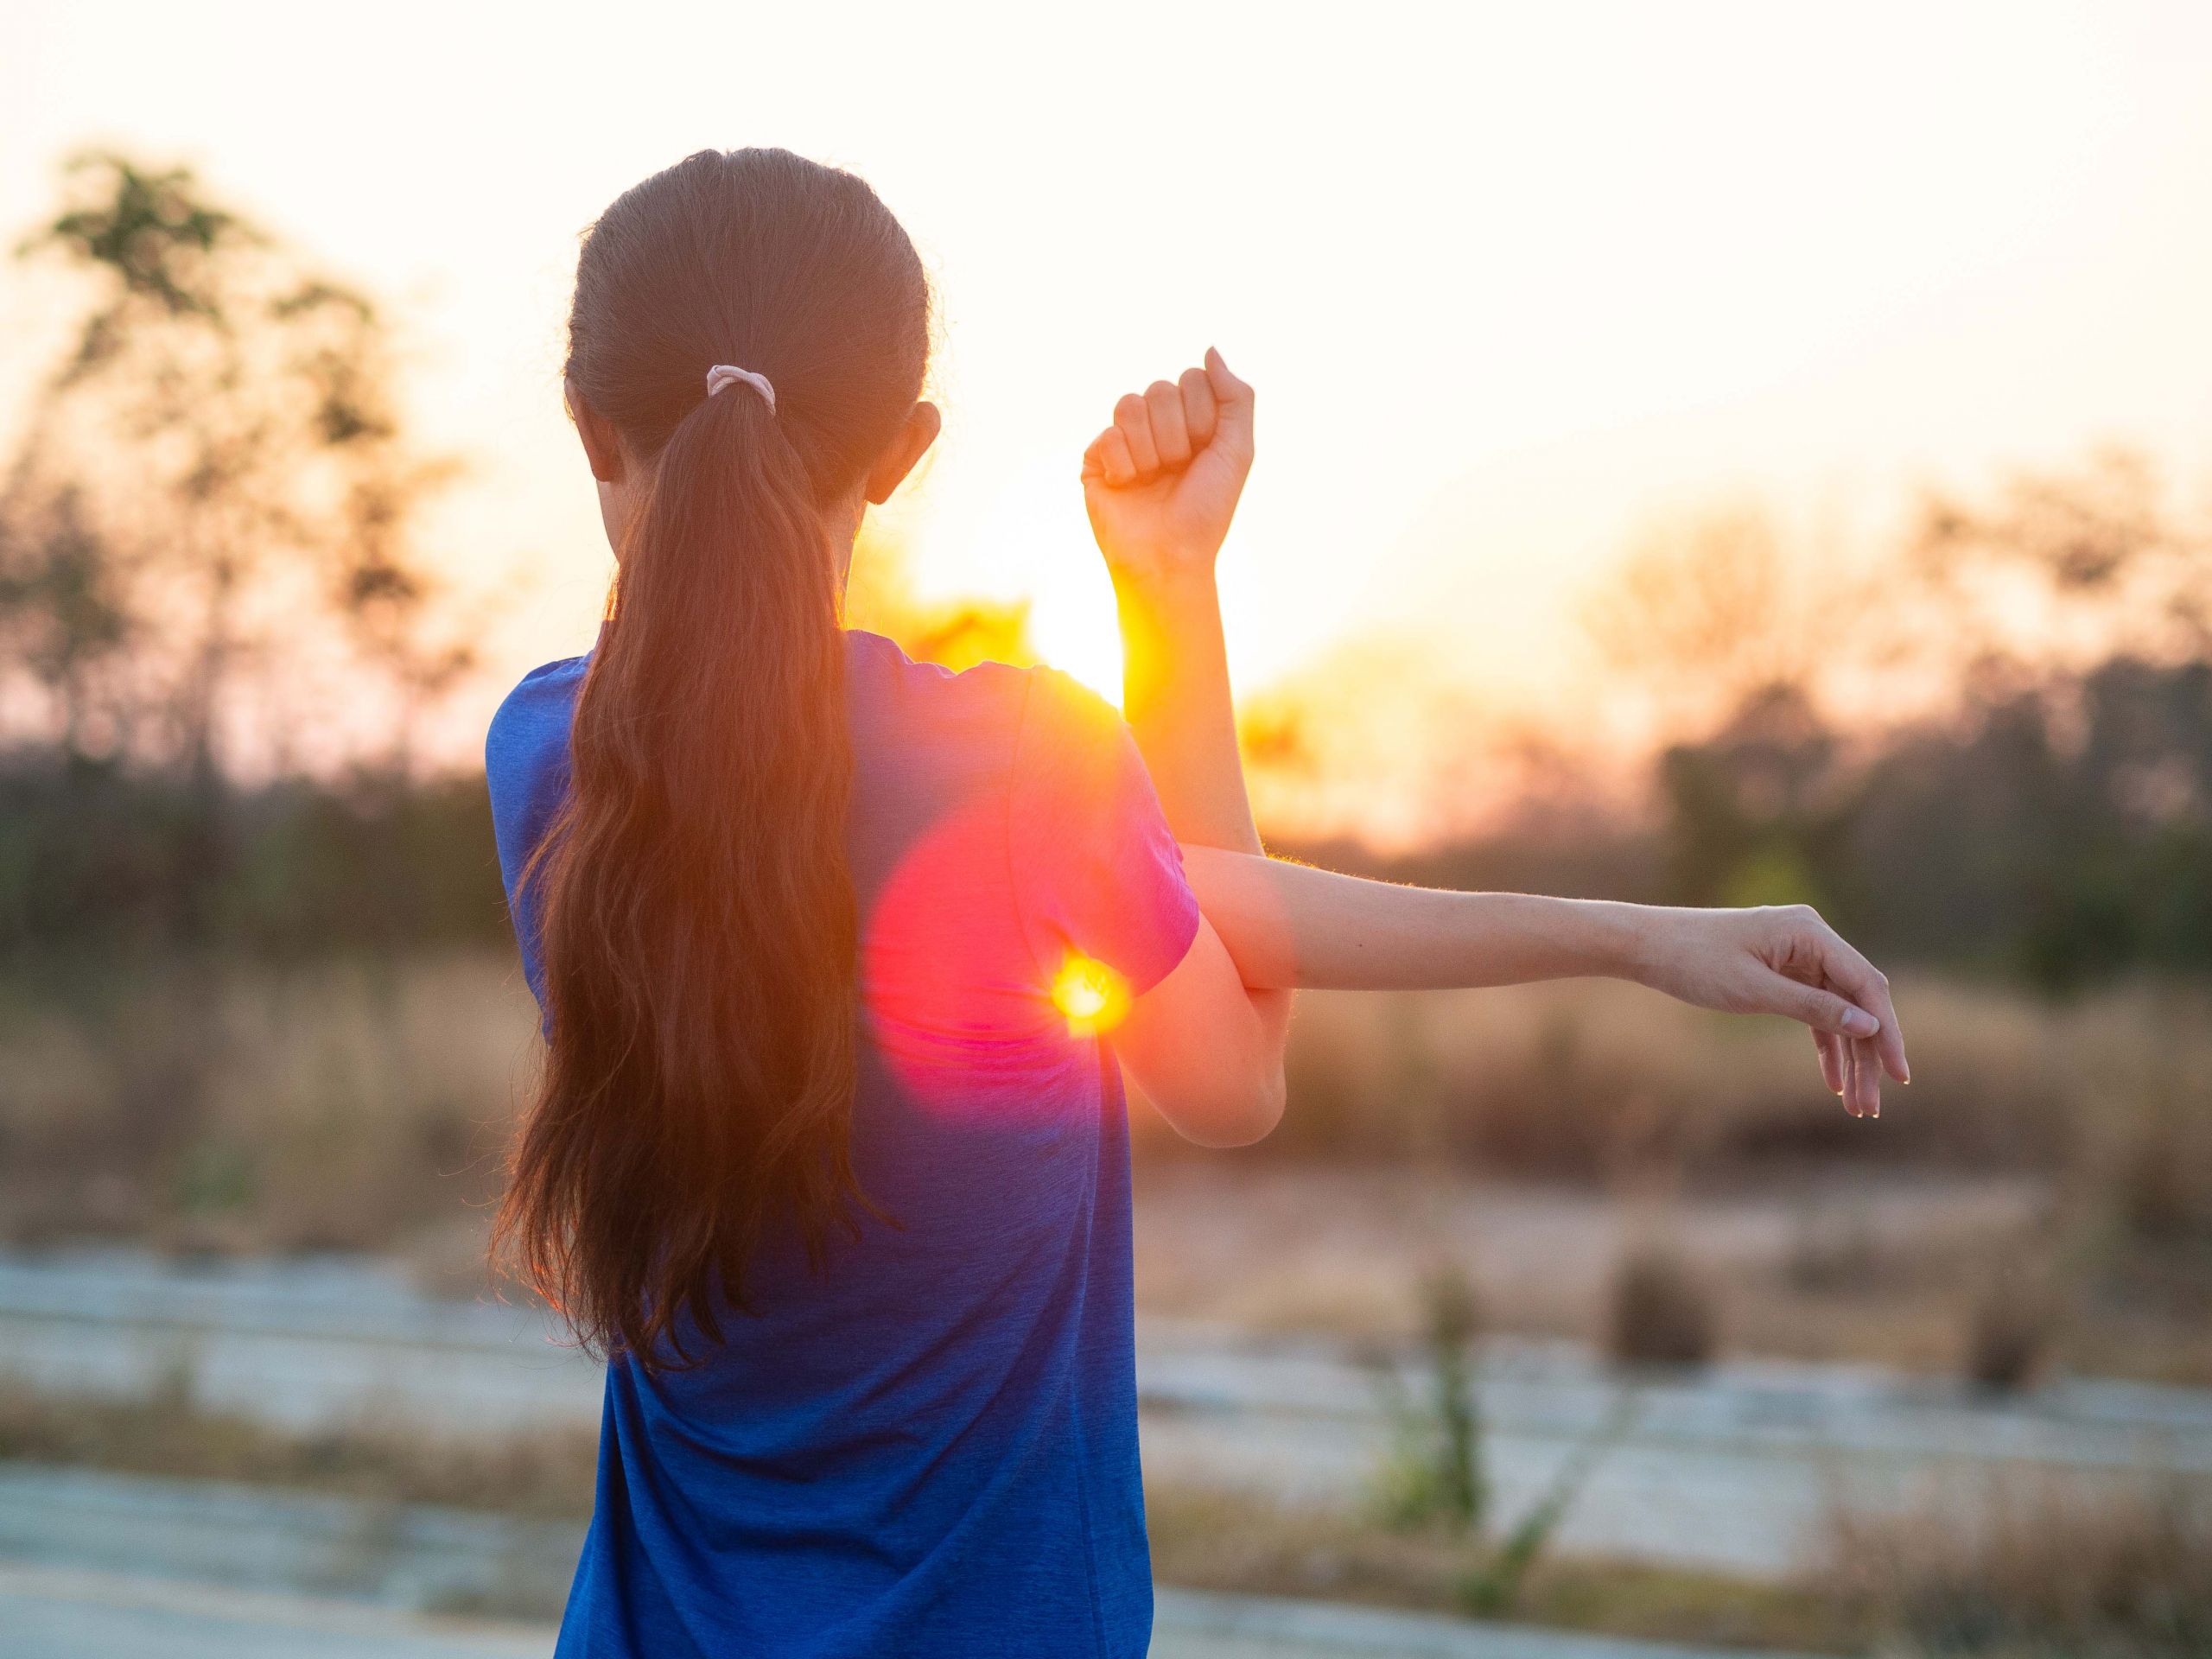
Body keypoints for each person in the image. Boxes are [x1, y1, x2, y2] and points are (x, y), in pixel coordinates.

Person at [486, 147, 1909, 1659]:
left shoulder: (548, 762)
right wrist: (1170, 588)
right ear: (902, 451)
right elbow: (1232, 1075)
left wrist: (1635, 941)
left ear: (589, 426)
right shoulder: (1021, 768)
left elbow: (1168, 889)